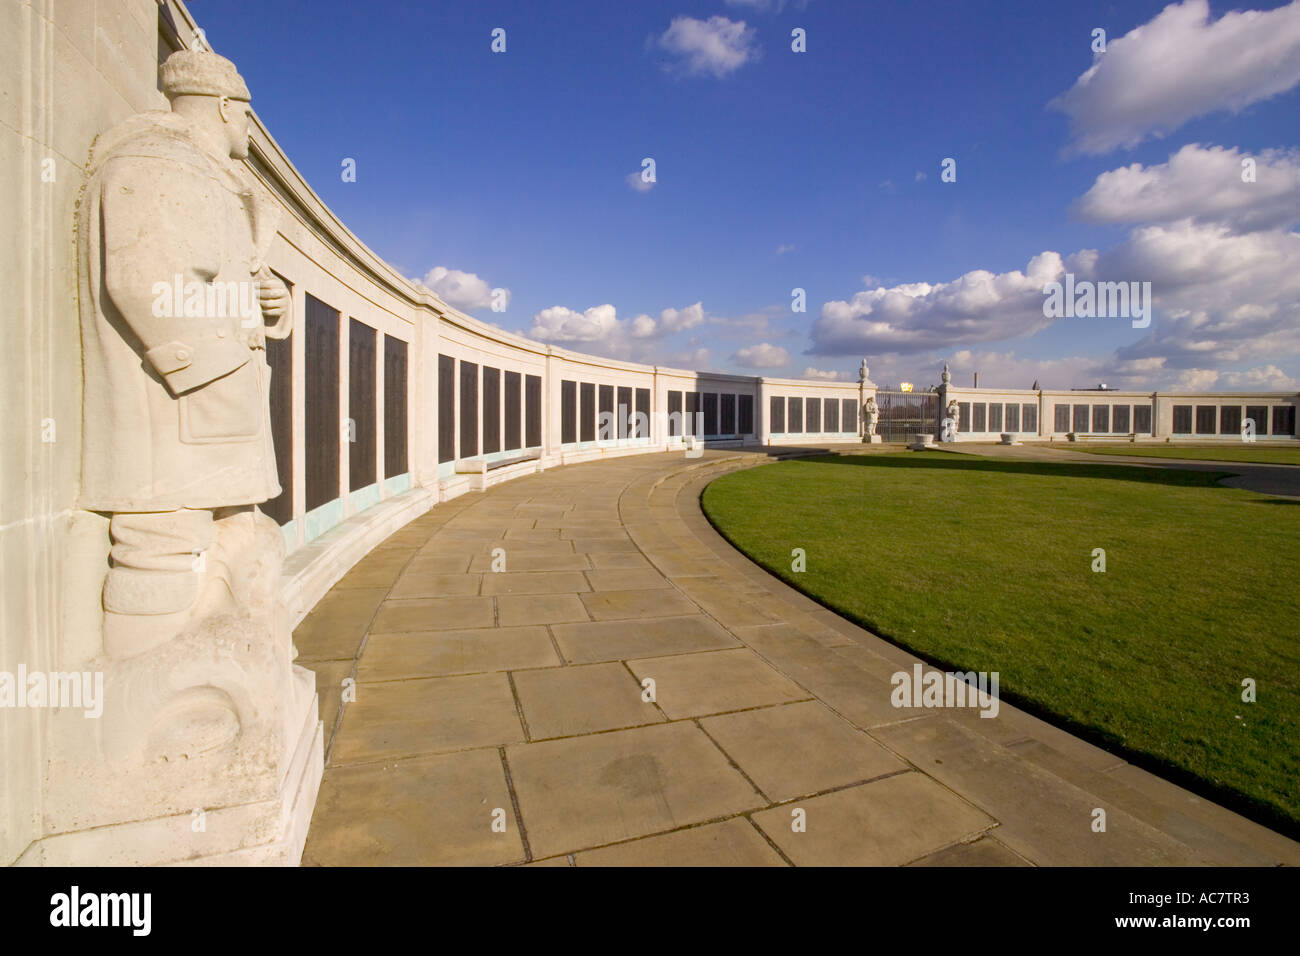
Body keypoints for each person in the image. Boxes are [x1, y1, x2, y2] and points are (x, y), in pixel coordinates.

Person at [78, 49, 291, 658]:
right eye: (246, 116)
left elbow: (211, 282)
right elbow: (143, 282)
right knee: (161, 549)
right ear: (227, 107)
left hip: (209, 412)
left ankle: (208, 678)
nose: (248, 129)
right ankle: (149, 705)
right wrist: (223, 374)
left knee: (226, 537)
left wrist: (267, 303)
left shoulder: (208, 176)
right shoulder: (159, 165)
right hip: (179, 413)